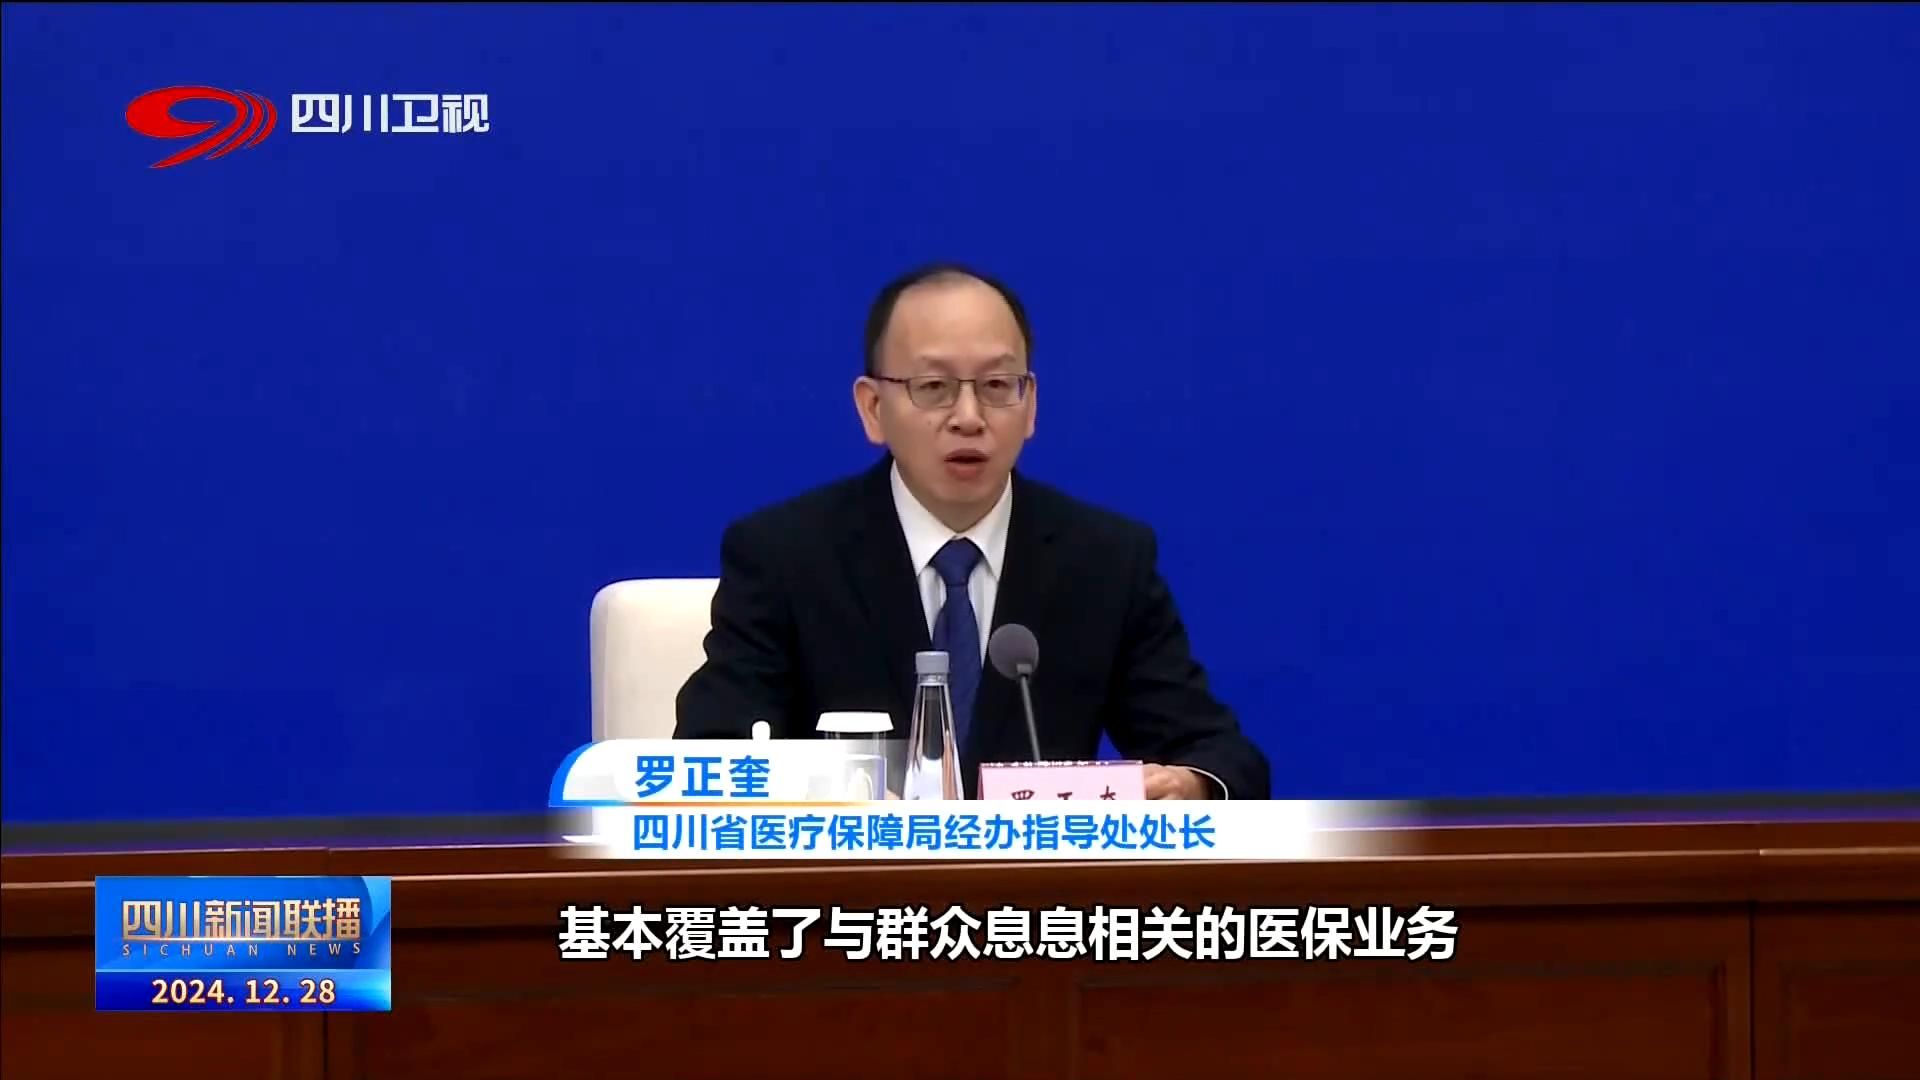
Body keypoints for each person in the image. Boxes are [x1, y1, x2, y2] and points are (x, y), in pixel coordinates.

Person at [673, 264, 1270, 799]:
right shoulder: (786, 556)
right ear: (873, 409)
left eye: (997, 386)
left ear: (1030, 405)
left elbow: (1220, 756)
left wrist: (1190, 784)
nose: (968, 417)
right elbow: (712, 750)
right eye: (933, 388)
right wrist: (830, 797)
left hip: (1035, 887)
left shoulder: (1105, 561)